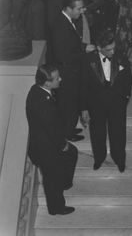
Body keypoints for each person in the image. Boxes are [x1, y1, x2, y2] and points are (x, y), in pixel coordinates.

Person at [26, 64, 78, 215]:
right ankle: (56, 208)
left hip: (47, 141)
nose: (60, 79)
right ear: (47, 83)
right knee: (52, 178)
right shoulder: (42, 100)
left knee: (71, 155)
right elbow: (51, 128)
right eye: (57, 78)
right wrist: (63, 145)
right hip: (45, 148)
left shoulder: (40, 91)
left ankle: (64, 183)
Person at [81, 30, 132, 172]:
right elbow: (83, 85)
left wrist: (125, 98)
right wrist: (84, 108)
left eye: (114, 48)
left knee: (118, 132)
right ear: (99, 48)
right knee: (98, 133)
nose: (113, 52)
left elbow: (128, 80)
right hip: (96, 104)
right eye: (109, 50)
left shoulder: (121, 56)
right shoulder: (88, 60)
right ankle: (99, 158)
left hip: (117, 103)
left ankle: (119, 159)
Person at [51, 0, 95, 142]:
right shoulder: (60, 25)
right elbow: (62, 55)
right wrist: (84, 51)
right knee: (67, 104)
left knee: (71, 103)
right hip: (67, 72)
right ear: (68, 8)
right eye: (79, 9)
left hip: (70, 70)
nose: (82, 11)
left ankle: (69, 128)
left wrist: (84, 46)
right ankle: (66, 133)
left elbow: (71, 44)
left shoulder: (67, 20)